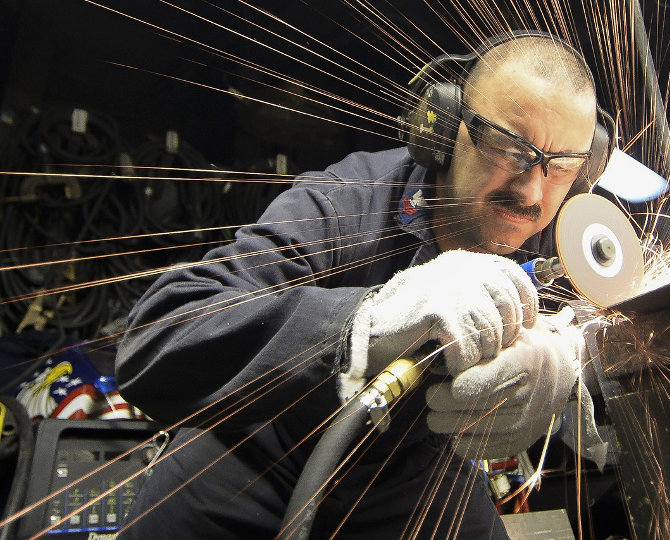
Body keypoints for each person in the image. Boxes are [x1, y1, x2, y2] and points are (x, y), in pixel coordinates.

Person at [116, 30, 601, 539]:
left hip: (413, 469)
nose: (531, 192)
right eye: (508, 149)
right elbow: (157, 336)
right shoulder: (347, 199)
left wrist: (569, 361)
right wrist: (361, 328)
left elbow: (621, 334)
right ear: (444, 129)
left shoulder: (560, 231)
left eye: (562, 168)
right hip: (258, 452)